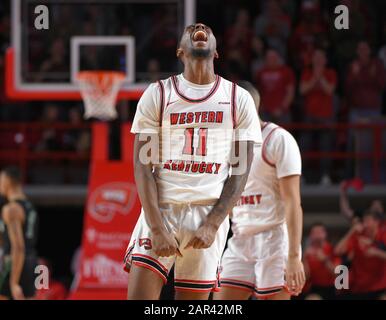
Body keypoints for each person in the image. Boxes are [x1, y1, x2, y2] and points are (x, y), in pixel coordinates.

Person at [123, 23, 261, 300]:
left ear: (216, 53)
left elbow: (240, 171)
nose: (199, 27)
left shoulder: (238, 99)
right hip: (162, 209)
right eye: (191, 29)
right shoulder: (159, 94)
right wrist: (157, 227)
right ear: (180, 52)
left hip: (208, 213)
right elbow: (142, 166)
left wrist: (214, 223)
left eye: (206, 28)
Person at [214, 81, 305, 300]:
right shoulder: (226, 144)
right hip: (240, 237)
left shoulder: (278, 139)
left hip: (274, 239)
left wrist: (293, 257)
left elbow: (294, 203)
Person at [0, 166, 39, 300]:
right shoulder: (30, 207)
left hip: (14, 263)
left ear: (7, 181)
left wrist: (13, 282)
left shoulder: (11, 209)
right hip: (31, 261)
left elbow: (18, 246)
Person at [299, 49, 337, 185]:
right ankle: (300, 175)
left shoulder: (330, 73)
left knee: (325, 146)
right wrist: (315, 77)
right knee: (304, 145)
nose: (319, 60)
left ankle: (325, 176)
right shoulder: (307, 73)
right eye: (316, 57)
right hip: (310, 116)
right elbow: (303, 90)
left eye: (321, 57)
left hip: (325, 117)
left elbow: (329, 90)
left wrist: (320, 77)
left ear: (326, 61)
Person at [335, 211, 386, 300]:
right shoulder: (357, 236)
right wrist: (352, 231)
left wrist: (376, 252)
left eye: (368, 221)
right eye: (364, 221)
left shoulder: (383, 235)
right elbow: (338, 251)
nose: (365, 224)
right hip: (360, 288)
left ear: (376, 222)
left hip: (381, 286)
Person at [255, 48, 295, 124]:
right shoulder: (261, 72)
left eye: (273, 57)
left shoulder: (286, 71)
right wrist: (261, 106)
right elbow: (258, 91)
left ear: (278, 58)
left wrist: (282, 108)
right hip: (265, 112)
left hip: (282, 112)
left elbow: (290, 92)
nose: (270, 60)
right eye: (268, 58)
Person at [303, 223, 340, 300]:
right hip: (314, 288)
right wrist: (304, 259)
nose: (317, 236)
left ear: (325, 234)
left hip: (331, 289)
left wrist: (325, 260)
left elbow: (338, 273)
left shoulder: (333, 249)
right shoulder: (307, 253)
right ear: (311, 236)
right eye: (314, 233)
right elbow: (306, 277)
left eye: (320, 233)